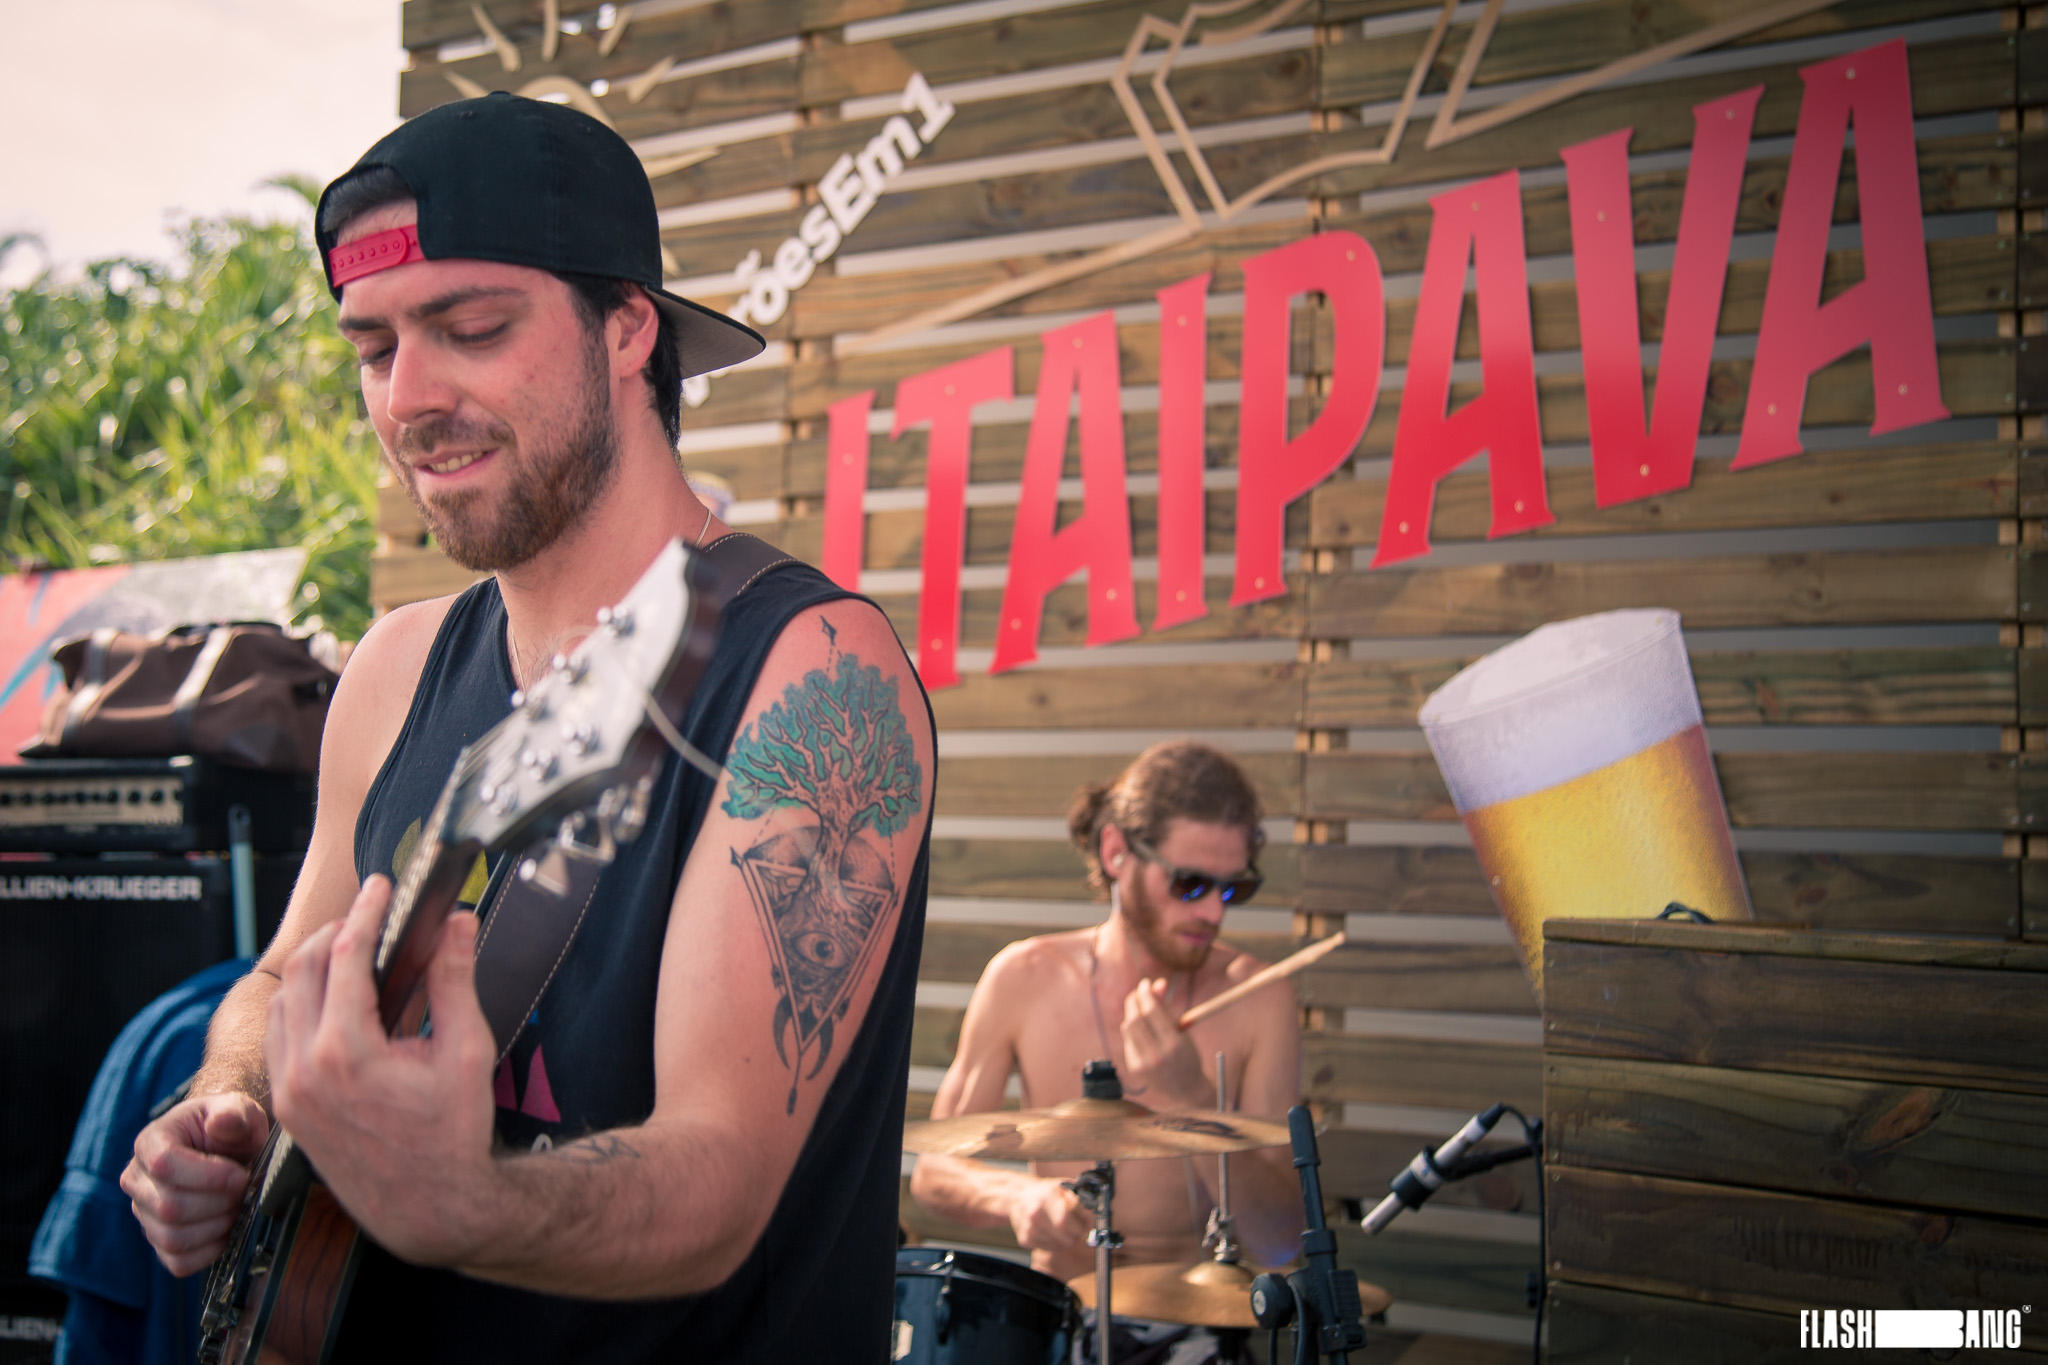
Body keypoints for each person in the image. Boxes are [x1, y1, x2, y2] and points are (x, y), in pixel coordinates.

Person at [118, 92, 935, 1363]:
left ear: (628, 329)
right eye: (374, 348)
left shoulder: (811, 673)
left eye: (472, 329)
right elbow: (280, 977)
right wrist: (228, 1106)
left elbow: (718, 1179)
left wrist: (466, 1205)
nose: (409, 397)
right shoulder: (394, 667)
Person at [909, 741, 1303, 1294]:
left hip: (1199, 1318)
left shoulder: (1258, 998)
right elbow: (933, 1174)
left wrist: (1191, 1100)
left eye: (1235, 887)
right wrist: (1019, 1196)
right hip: (1062, 1314)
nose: (1214, 911)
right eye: (1189, 883)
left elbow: (1280, 1239)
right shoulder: (1025, 977)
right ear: (1117, 852)